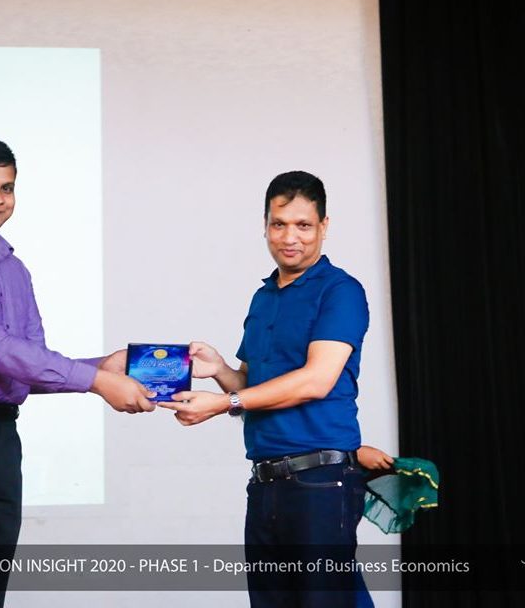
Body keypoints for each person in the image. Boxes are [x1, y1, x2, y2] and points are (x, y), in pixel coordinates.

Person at [0, 134, 155, 608]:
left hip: (1, 440)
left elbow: (26, 363)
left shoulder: (15, 268)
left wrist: (101, 366)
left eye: (6, 188)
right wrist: (98, 382)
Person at [161, 171, 381, 607]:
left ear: (324, 226)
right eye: (279, 224)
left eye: (303, 225)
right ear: (265, 226)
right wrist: (219, 369)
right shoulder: (263, 297)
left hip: (320, 482)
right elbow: (253, 387)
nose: (289, 237)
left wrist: (223, 402)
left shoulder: (341, 291)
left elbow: (316, 380)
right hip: (265, 484)